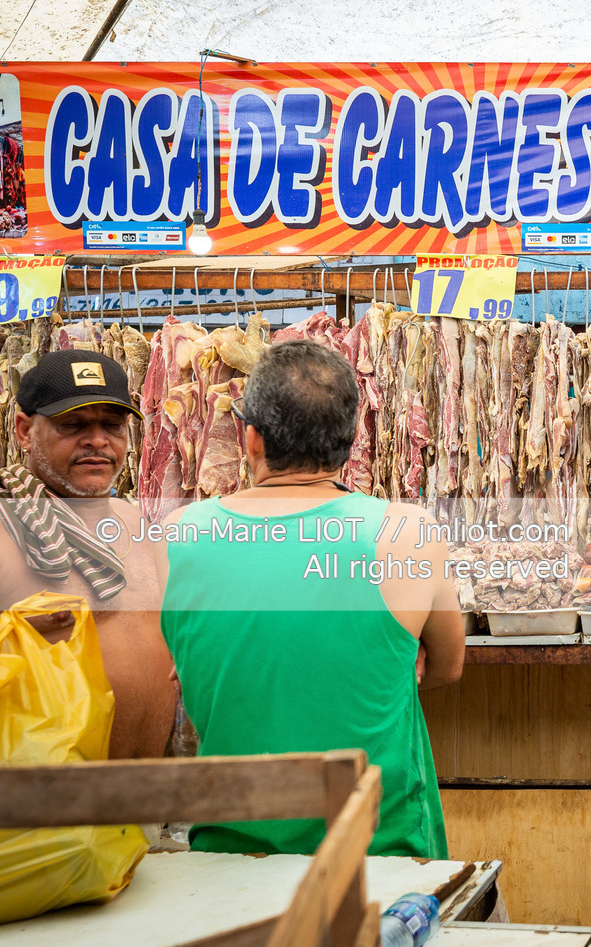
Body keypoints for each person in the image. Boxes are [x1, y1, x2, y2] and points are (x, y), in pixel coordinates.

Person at [160, 340, 465, 857]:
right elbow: (448, 666)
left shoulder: (177, 534)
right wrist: (391, 660)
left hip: (229, 858)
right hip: (382, 858)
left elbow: (195, 668)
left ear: (252, 439)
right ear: (351, 440)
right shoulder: (407, 532)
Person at [0, 351, 175, 758]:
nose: (97, 440)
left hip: (147, 793)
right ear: (24, 431)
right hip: (30, 796)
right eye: (73, 424)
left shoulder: (134, 523)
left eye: (112, 425)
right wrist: (3, 652)